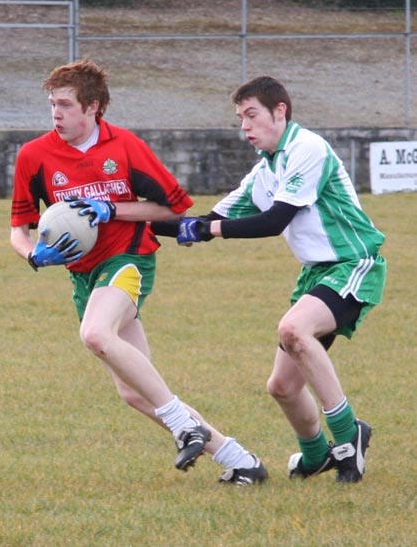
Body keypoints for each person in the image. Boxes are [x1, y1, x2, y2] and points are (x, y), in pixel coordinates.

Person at [9, 58, 267, 486]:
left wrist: (110, 208)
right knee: (134, 391)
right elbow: (18, 229)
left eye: (66, 104)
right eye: (52, 104)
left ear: (93, 107)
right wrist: (34, 255)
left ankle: (184, 426)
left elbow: (174, 207)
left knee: (95, 335)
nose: (56, 113)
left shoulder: (125, 146)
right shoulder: (34, 156)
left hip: (129, 260)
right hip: (85, 276)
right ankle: (240, 460)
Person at [160, 75, 387, 483]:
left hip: (353, 262)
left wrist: (205, 231)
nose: (244, 126)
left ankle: (348, 434)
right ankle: (315, 454)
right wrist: (114, 220)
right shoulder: (263, 171)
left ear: (279, 112)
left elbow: (273, 220)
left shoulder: (307, 148)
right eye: (239, 118)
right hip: (316, 273)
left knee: (293, 329)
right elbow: (205, 221)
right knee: (282, 386)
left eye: (251, 115)